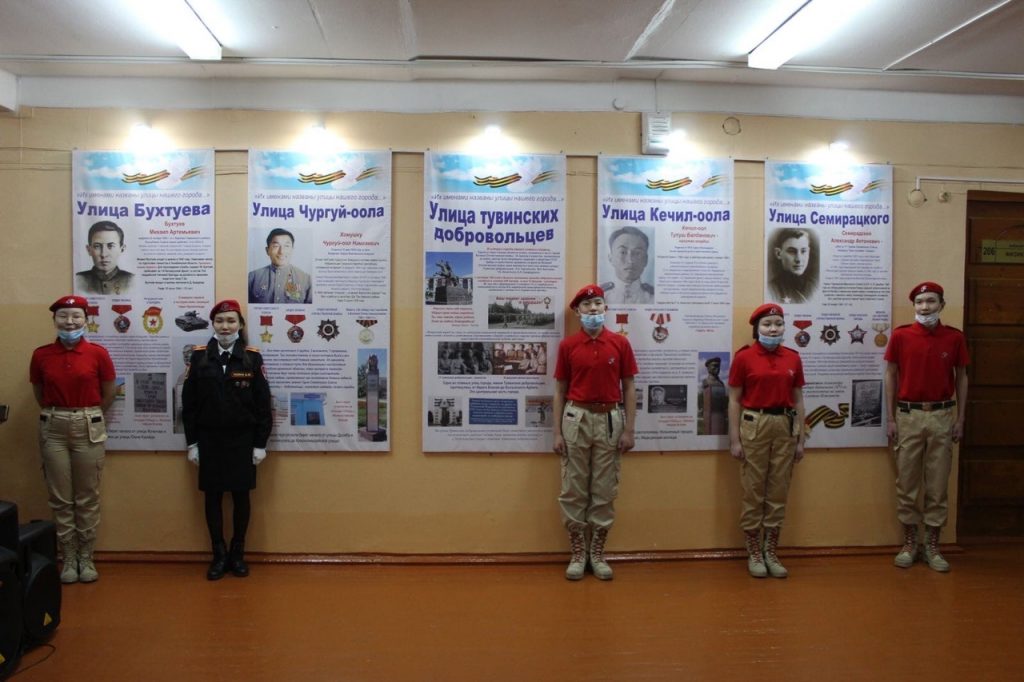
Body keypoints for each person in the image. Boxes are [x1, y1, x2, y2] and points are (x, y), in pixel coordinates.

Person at [183, 300, 273, 580]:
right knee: (212, 497)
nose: (225, 326)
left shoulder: (252, 358)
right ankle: (219, 554)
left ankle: (237, 553)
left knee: (241, 497)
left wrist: (260, 444)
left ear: (240, 325)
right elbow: (189, 406)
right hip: (209, 440)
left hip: (242, 441)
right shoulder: (199, 357)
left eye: (231, 321)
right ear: (213, 323)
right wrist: (192, 443)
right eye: (220, 320)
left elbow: (263, 406)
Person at [553, 284, 637, 581]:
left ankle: (597, 553)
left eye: (598, 304)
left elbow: (629, 387)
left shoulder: (620, 343)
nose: (593, 309)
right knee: (573, 487)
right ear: (578, 312)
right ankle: (578, 553)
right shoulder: (568, 346)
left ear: (605, 308)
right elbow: (560, 390)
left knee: (604, 487)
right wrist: (557, 433)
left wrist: (629, 429)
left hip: (610, 418)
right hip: (576, 417)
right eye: (587, 306)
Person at [30, 295, 116, 584]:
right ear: (54, 320)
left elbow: (108, 393)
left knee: (87, 496)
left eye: (76, 316)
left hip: (88, 424)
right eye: (63, 316)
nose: (70, 322)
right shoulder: (41, 355)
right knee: (60, 498)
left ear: (86, 320)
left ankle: (86, 557)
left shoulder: (98, 354)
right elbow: (40, 394)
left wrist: (86, 414)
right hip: (53, 426)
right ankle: (68, 556)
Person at [884, 281, 969, 573]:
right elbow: (890, 375)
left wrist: (960, 418)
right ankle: (910, 543)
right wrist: (891, 418)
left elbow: (962, 378)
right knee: (907, 483)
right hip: (908, 415)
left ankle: (932, 545)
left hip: (942, 415)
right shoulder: (901, 336)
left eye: (931, 301)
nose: (925, 307)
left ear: (941, 305)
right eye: (920, 302)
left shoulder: (954, 338)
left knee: (937, 483)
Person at [728, 303, 806, 578]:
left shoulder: (793, 358)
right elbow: (734, 400)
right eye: (767, 324)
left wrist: (800, 438)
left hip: (785, 426)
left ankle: (771, 550)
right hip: (754, 424)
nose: (773, 329)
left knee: (778, 490)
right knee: (753, 489)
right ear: (757, 328)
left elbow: (798, 399)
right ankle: (754, 552)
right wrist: (735, 439)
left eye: (778, 324)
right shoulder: (744, 357)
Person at [247, 228, 313, 304]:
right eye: (276, 246)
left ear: (292, 250)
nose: (281, 252)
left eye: (286, 246)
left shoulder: (306, 279)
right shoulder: (253, 277)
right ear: (267, 250)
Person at [75, 220, 135, 295]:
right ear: (89, 250)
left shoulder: (132, 280)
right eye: (97, 246)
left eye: (111, 246)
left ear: (122, 249)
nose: (103, 254)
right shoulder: (78, 280)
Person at [601, 226, 654, 304]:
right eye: (623, 252)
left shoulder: (653, 297)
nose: (630, 261)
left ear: (646, 260)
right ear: (611, 258)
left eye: (637, 253)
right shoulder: (601, 296)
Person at [767, 228, 818, 304]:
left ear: (808, 252)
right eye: (791, 251)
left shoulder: (815, 287)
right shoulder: (771, 290)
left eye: (803, 251)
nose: (798, 259)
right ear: (778, 253)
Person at [701, 357, 728, 435]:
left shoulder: (721, 383)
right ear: (708, 368)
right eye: (714, 365)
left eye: (718, 366)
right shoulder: (705, 382)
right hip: (710, 419)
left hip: (720, 416)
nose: (717, 368)